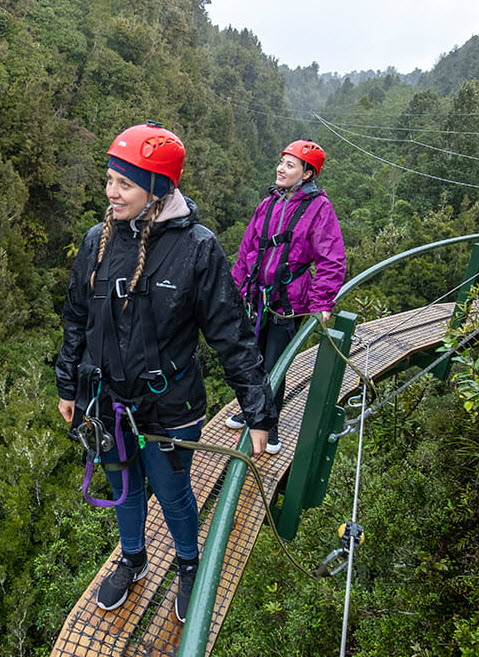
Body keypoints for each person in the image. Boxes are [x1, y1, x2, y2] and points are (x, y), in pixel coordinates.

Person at [55, 122, 276, 622]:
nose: (110, 192)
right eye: (109, 179)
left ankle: (188, 563)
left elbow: (231, 335)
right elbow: (76, 318)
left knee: (173, 491)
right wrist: (68, 383)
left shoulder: (197, 248)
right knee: (122, 483)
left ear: (157, 188)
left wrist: (258, 412)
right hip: (104, 398)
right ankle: (132, 558)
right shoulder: (97, 242)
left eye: (124, 184)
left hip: (170, 404)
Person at [225, 139, 346, 454]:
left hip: (288, 301)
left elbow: (331, 259)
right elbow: (247, 250)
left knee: (274, 365)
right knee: (250, 359)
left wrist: (322, 303)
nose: (281, 168)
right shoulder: (269, 204)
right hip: (256, 296)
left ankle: (271, 425)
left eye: (290, 165)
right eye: (282, 162)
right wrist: (236, 291)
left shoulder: (319, 208)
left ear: (307, 174)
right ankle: (250, 411)